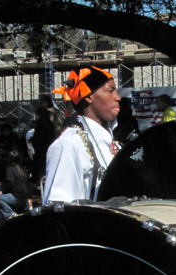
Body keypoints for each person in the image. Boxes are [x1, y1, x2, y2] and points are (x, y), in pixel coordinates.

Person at [43, 66, 121, 203]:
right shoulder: (68, 146)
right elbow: (58, 209)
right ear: (88, 96)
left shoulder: (115, 146)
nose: (118, 98)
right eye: (110, 90)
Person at [0, 150, 32, 218]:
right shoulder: (21, 169)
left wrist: (2, 191)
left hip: (17, 197)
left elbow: (10, 183)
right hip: (25, 197)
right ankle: (26, 207)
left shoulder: (10, 169)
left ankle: (10, 213)